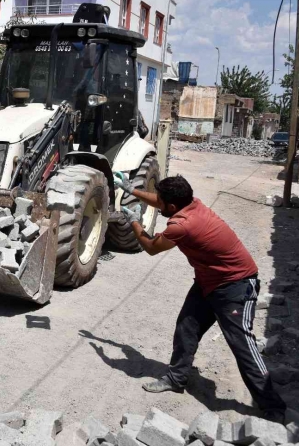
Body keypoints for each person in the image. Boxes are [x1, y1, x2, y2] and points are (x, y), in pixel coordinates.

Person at [115, 174, 287, 422]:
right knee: (186, 327)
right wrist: (132, 190)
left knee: (242, 345)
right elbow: (163, 201)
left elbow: (151, 247)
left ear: (172, 206)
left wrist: (134, 221)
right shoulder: (190, 203)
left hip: (236, 285)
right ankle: (176, 378)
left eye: (161, 202)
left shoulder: (182, 224)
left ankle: (273, 407)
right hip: (209, 281)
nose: (159, 204)